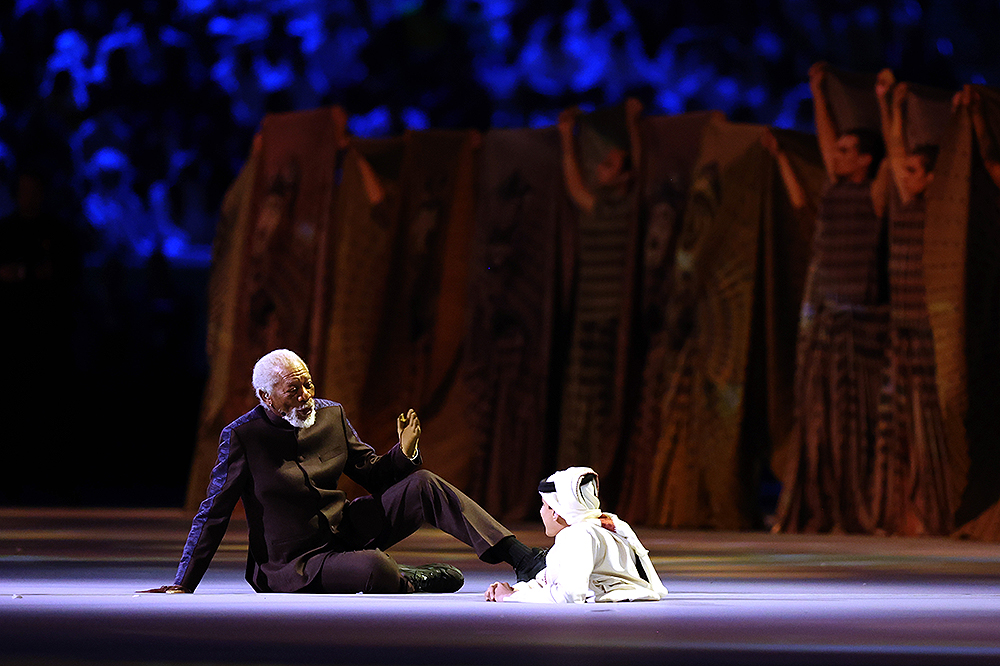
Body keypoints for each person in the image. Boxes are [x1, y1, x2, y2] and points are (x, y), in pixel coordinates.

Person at [141, 349, 545, 594]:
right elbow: (212, 513)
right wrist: (184, 581)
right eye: (293, 390)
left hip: (345, 530)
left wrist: (405, 454)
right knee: (374, 568)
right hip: (294, 563)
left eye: (308, 385)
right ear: (266, 397)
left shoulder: (330, 415)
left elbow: (373, 474)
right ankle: (412, 579)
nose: (306, 396)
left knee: (421, 483)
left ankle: (521, 558)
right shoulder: (243, 436)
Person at [769, 62, 890, 534]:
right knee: (818, 423)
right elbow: (823, 142)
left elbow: (892, 156)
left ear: (865, 160)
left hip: (861, 329)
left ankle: (857, 508)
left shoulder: (877, 194)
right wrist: (817, 90)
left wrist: (886, 103)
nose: (835, 156)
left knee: (855, 423)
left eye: (846, 151)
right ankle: (820, 506)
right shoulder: (833, 191)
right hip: (823, 325)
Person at [870, 70, 952, 536]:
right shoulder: (903, 204)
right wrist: (890, 107)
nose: (904, 176)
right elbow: (896, 156)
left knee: (929, 429)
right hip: (900, 328)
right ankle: (900, 512)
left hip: (930, 333)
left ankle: (930, 513)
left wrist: (892, 109)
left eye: (914, 171)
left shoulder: (942, 211)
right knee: (896, 429)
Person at [484, 467, 667, 603]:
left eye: (544, 505)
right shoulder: (609, 524)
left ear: (556, 511)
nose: (541, 512)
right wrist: (515, 589)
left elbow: (569, 595)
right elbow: (551, 579)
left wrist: (509, 598)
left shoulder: (577, 535)